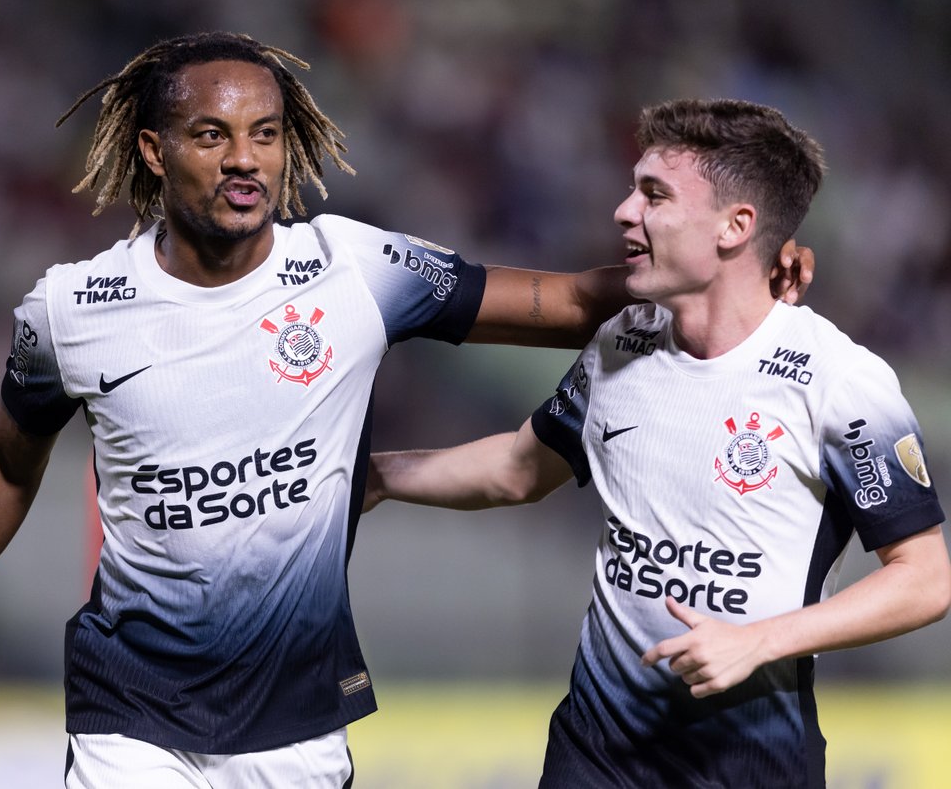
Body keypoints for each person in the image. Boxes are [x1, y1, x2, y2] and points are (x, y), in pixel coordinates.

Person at [0, 34, 812, 788]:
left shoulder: (355, 270)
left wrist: (722, 273)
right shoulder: (72, 308)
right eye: (212, 135)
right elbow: (6, 462)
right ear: (154, 149)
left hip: (296, 726)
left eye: (264, 133)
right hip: (129, 717)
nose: (245, 158)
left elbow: (556, 304)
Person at [367, 98, 951, 787]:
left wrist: (761, 641)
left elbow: (924, 579)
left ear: (736, 226)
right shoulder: (624, 341)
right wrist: (378, 476)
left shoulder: (839, 382)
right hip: (595, 756)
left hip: (749, 763)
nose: (624, 211)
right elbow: (518, 470)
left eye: (654, 195)